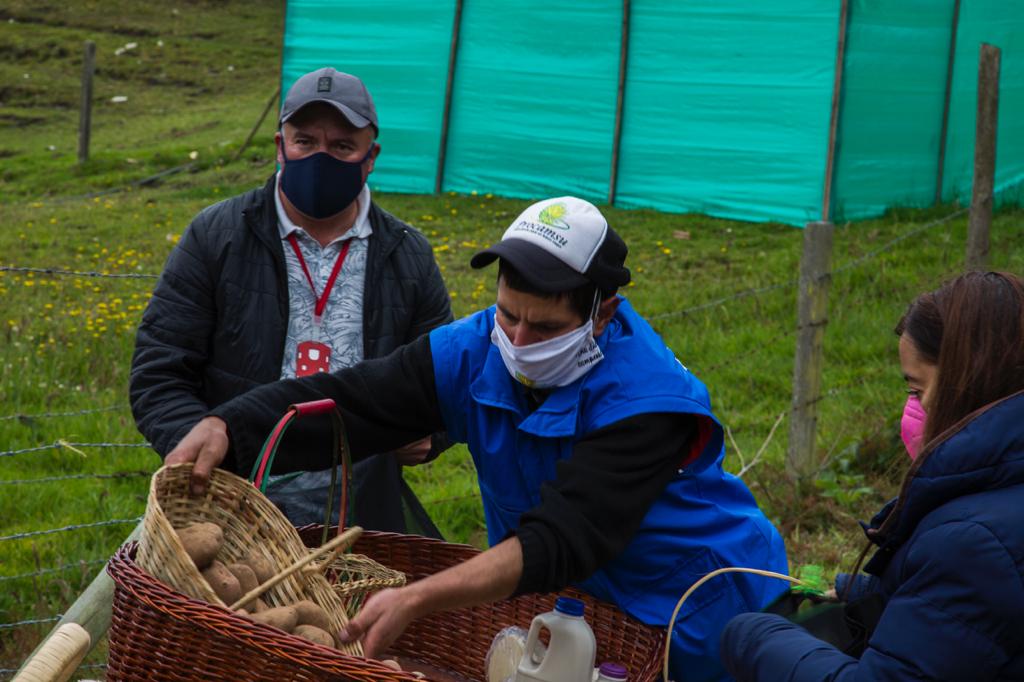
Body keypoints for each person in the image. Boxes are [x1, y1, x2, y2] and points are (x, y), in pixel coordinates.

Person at [166, 196, 788, 681]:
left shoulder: (646, 402)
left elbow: (562, 538)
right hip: (571, 613)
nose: (517, 341)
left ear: (603, 312)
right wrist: (233, 425)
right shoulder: (474, 349)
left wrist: (418, 598)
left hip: (697, 610)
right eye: (508, 313)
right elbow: (357, 403)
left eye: (545, 328)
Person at [130, 67, 452, 535]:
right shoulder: (216, 235)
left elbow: (443, 379)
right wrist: (206, 444)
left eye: (342, 146)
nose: (321, 158)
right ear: (280, 146)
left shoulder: (408, 254)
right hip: (230, 506)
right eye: (305, 142)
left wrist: (433, 435)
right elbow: (158, 372)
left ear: (371, 156)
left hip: (359, 517)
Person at [721, 271, 1024, 681]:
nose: (912, 408)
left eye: (916, 390)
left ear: (968, 383)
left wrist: (754, 637)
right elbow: (971, 619)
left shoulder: (973, 544)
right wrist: (880, 592)